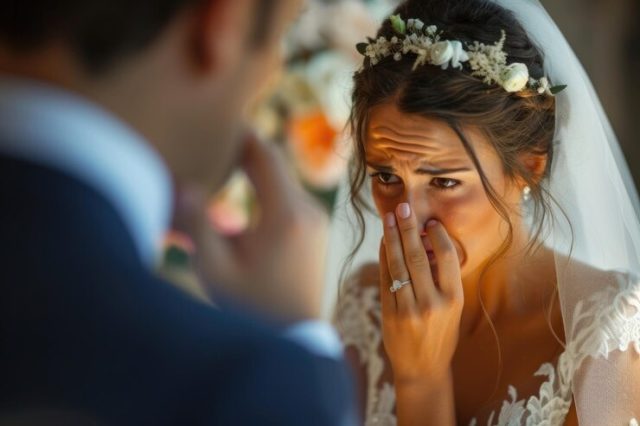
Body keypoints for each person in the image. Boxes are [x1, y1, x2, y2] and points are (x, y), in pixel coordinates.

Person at [0, 0, 357, 425]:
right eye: (280, 36)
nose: (272, 73)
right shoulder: (243, 386)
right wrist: (298, 345)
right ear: (221, 21)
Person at [329, 0, 640, 424]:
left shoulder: (608, 338)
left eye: (443, 182)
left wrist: (421, 379)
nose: (407, 216)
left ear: (529, 166)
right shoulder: (365, 305)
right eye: (385, 176)